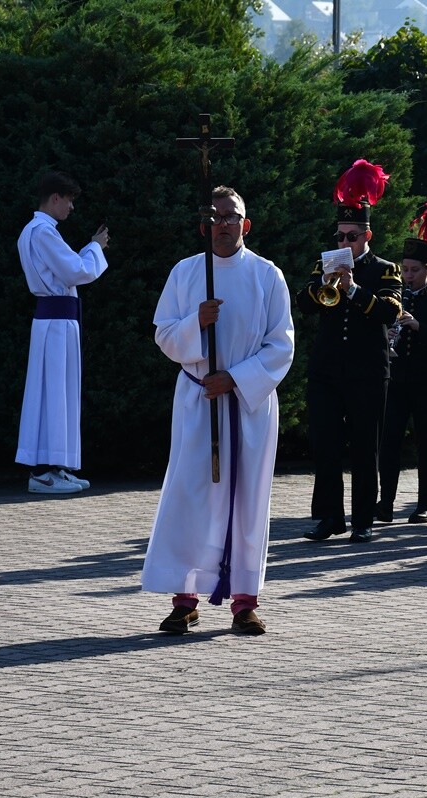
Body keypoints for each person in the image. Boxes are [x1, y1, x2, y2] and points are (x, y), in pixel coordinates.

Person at [141, 186, 295, 636]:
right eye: (215, 217)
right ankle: (184, 599)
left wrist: (236, 378)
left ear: (246, 224)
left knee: (248, 500)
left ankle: (244, 601)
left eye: (231, 216)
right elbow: (164, 334)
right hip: (198, 400)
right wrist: (197, 323)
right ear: (203, 226)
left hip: (248, 405)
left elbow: (281, 345)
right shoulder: (186, 272)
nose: (223, 224)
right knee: (191, 496)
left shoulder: (267, 275)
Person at [299, 160, 402, 544]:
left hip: (367, 372)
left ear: (366, 235)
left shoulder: (385, 270)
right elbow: (304, 304)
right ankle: (330, 517)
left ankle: (363, 519)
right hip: (327, 370)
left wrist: (355, 290)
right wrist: (323, 284)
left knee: (364, 447)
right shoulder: (324, 264)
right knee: (325, 445)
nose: (344, 243)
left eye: (352, 237)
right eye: (340, 236)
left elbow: (390, 312)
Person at [15, 171, 110, 495]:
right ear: (55, 198)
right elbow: (76, 271)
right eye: (68, 200)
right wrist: (95, 246)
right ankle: (43, 472)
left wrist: (90, 248)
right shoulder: (43, 232)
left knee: (56, 393)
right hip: (55, 323)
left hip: (55, 321)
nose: (71, 207)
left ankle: (55, 467)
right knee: (54, 393)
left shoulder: (35, 231)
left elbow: (67, 270)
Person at [376, 205, 427, 525]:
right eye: (405, 270)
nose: (407, 276)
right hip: (398, 381)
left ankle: (425, 505)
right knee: (390, 443)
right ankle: (385, 503)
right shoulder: (396, 298)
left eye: (413, 270)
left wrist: (417, 326)